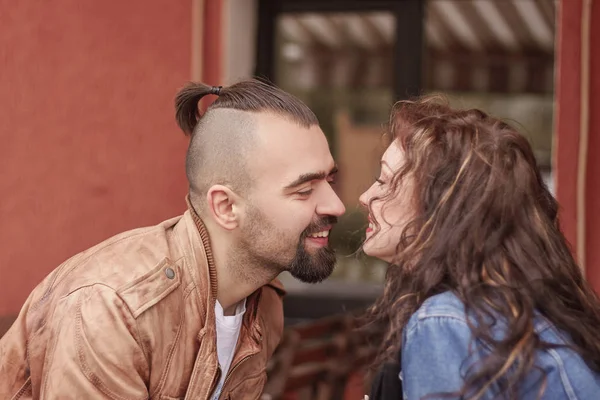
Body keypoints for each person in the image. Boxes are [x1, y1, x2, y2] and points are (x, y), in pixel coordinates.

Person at [0, 79, 345, 399]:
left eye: (330, 181)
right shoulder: (112, 309)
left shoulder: (264, 306)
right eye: (304, 190)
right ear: (225, 207)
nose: (336, 204)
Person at [360, 95, 600, 399]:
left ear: (438, 205)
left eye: (384, 182)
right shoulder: (515, 309)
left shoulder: (447, 322)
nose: (365, 197)